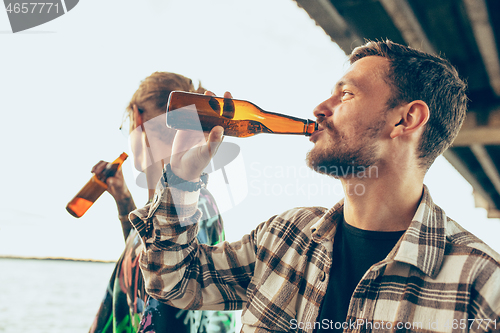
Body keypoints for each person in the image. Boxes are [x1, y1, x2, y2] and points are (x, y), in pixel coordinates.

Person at [128, 41, 500, 332]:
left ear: (407, 118)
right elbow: (174, 282)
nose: (320, 107)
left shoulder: (481, 284)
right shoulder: (285, 237)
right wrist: (181, 178)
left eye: (347, 94)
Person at [88, 72, 234, 333]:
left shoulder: (186, 208)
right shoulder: (188, 205)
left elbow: (166, 302)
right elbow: (149, 267)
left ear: (138, 118)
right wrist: (123, 200)